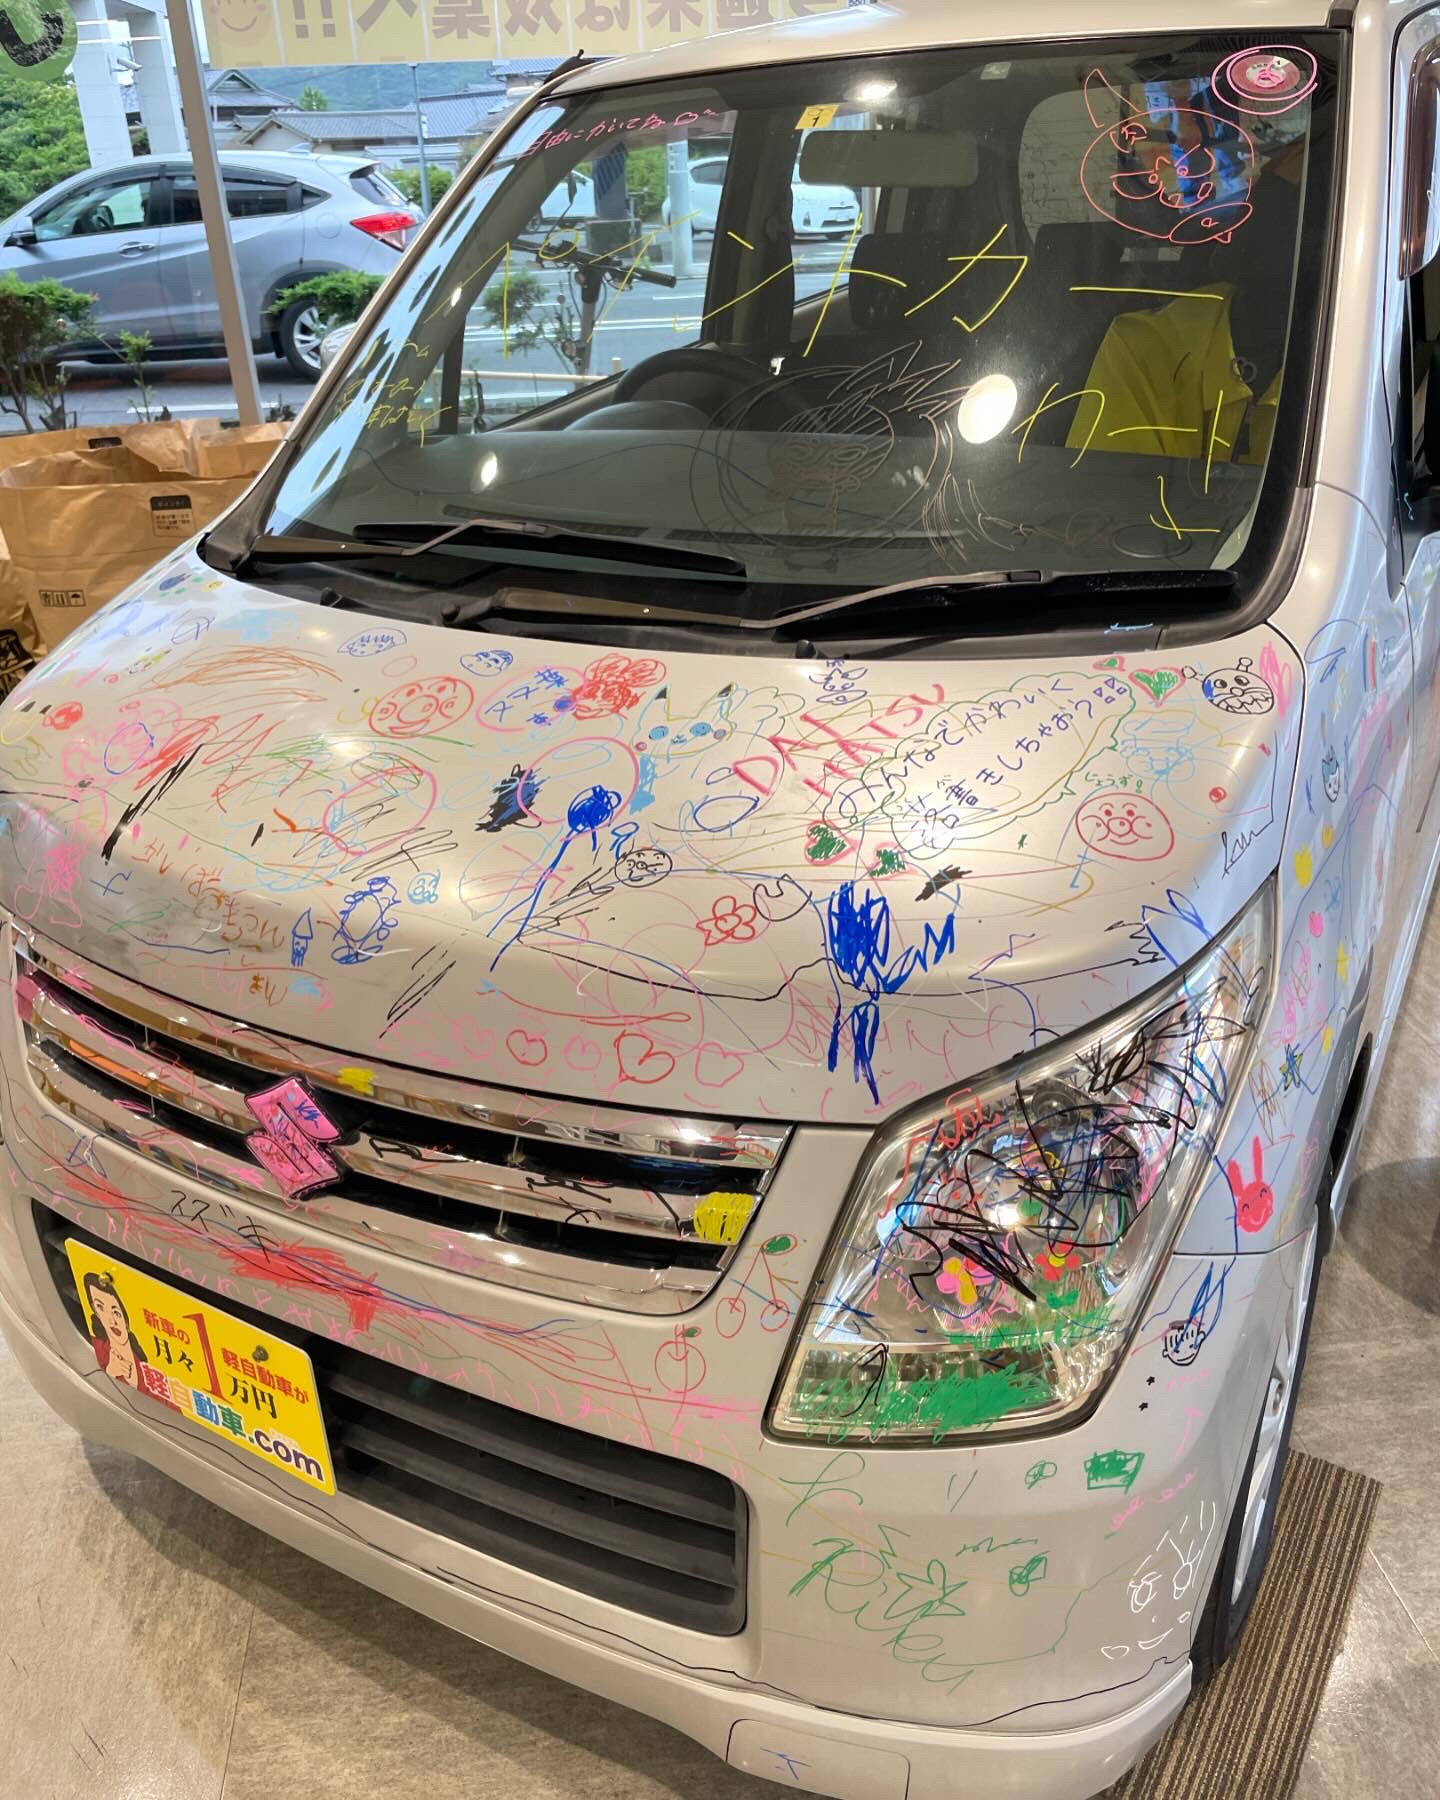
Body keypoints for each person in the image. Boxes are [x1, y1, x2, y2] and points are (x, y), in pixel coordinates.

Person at [82, 1269, 148, 1391]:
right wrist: (110, 1371)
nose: (111, 1321)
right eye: (100, 1307)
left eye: (116, 1312)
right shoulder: (94, 1347)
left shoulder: (148, 1368)